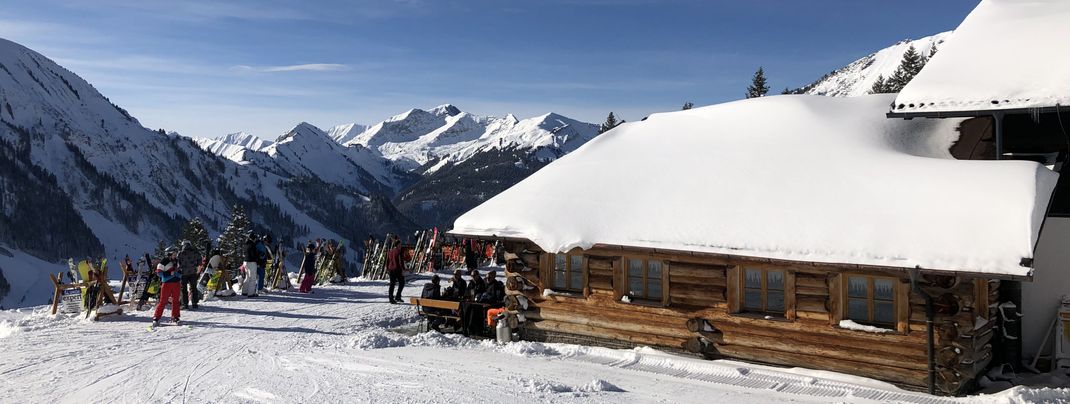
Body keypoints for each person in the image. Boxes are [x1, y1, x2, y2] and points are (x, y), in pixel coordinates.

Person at [152, 247, 182, 327]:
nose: (175, 255)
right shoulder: (163, 262)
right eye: (174, 254)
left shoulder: (177, 261)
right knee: (163, 301)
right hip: (167, 284)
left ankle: (175, 317)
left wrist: (179, 274)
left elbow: (180, 271)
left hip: (176, 283)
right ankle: (156, 318)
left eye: (176, 254)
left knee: (176, 301)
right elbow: (159, 274)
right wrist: (171, 274)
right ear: (169, 254)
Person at [177, 240, 201, 309]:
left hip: (183, 273)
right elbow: (200, 262)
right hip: (193, 272)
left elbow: (178, 263)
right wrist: (196, 267)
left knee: (183, 289)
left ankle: (185, 304)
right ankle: (194, 303)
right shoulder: (195, 252)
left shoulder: (180, 253)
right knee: (193, 288)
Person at [386, 235, 405, 304]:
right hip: (397, 269)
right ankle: (398, 296)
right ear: (398, 245)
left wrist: (387, 268)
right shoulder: (399, 251)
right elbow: (401, 261)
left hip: (391, 269)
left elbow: (387, 261)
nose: (401, 245)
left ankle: (391, 298)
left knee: (392, 284)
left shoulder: (390, 252)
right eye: (400, 244)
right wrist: (403, 269)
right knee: (402, 283)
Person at [242, 233, 260, 297]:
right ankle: (251, 293)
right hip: (252, 262)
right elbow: (254, 255)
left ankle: (244, 291)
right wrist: (258, 260)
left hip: (245, 262)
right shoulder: (252, 245)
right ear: (253, 238)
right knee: (252, 278)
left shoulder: (246, 244)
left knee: (247, 277)